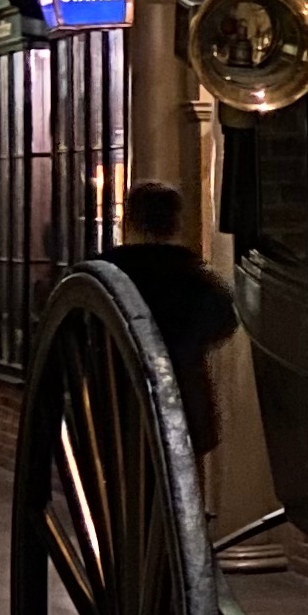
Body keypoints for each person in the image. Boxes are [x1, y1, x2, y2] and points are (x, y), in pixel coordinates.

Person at [108, 181, 236, 470]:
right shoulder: (192, 277)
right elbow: (224, 319)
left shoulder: (109, 273)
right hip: (184, 399)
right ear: (176, 223)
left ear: (130, 220)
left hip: (119, 403)